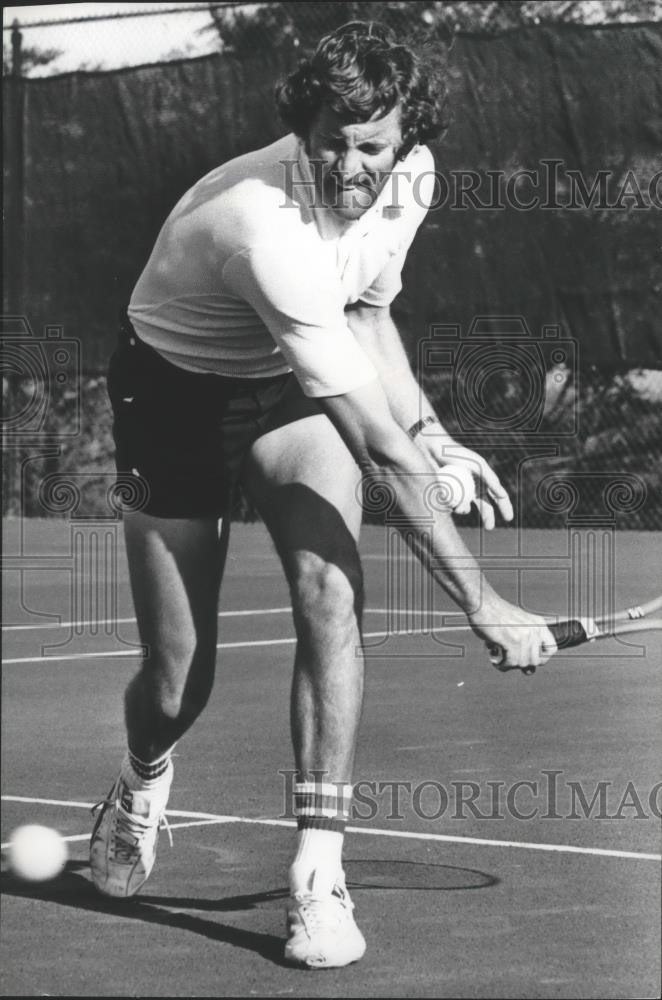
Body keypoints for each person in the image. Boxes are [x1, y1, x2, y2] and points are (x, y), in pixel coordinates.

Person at [91, 21, 557, 969]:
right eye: (329, 140)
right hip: (171, 395)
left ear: (407, 140)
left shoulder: (409, 180)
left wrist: (432, 430)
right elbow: (376, 450)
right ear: (301, 129)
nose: (349, 163)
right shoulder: (262, 228)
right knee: (179, 682)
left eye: (371, 144)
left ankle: (315, 878)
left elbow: (371, 311)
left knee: (332, 595)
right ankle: (143, 777)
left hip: (288, 387)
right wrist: (484, 602)